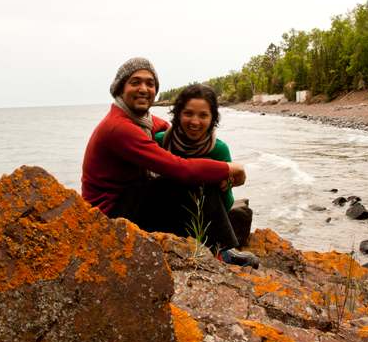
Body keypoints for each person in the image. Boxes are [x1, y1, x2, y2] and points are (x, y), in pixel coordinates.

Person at [81, 57, 258, 268]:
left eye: (150, 83)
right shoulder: (119, 128)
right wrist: (230, 168)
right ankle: (221, 257)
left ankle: (212, 249)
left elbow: (172, 132)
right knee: (194, 177)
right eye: (135, 82)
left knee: (200, 171)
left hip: (130, 200)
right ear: (120, 90)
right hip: (107, 215)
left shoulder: (144, 122)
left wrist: (218, 170)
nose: (143, 89)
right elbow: (181, 169)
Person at [154, 84, 234, 212]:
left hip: (201, 219)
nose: (195, 121)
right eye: (188, 113)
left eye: (203, 115)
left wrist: (222, 184)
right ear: (178, 114)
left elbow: (227, 206)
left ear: (212, 118)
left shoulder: (219, 150)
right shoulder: (159, 141)